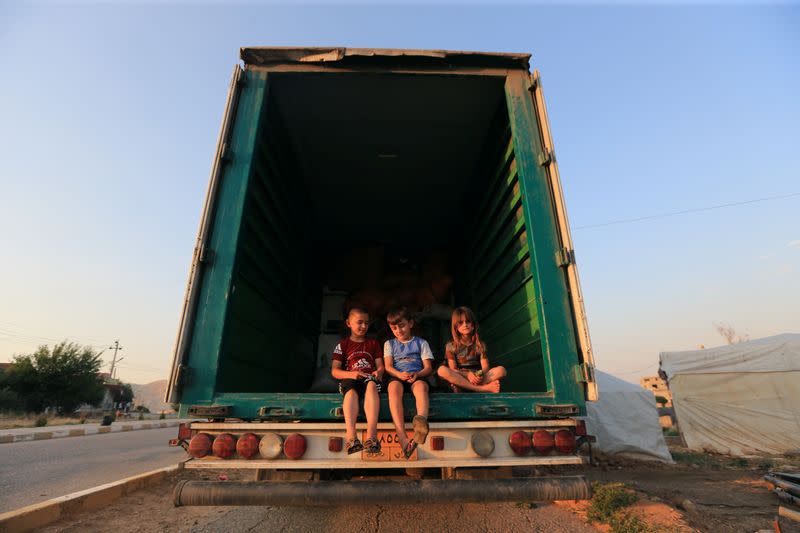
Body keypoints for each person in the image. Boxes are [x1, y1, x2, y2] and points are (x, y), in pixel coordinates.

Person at [331, 306, 384, 454]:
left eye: (367, 323)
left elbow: (380, 366)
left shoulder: (373, 343)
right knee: (351, 392)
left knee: (372, 385)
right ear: (349, 323)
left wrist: (378, 372)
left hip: (368, 377)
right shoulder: (342, 345)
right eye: (359, 322)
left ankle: (372, 436)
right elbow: (335, 371)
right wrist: (351, 375)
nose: (364, 326)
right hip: (351, 377)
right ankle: (351, 437)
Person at [383, 307, 433, 459]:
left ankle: (421, 423)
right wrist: (399, 374)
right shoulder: (389, 344)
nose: (398, 330)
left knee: (421, 388)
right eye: (394, 328)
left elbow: (428, 368)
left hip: (416, 375)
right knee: (393, 389)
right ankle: (402, 437)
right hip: (397, 376)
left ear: (411, 323)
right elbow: (388, 367)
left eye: (402, 325)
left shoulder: (421, 343)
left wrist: (417, 374)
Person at [436, 306, 506, 393]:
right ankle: (482, 389)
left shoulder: (480, 345)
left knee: (501, 370)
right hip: (460, 377)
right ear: (456, 328)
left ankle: (466, 388)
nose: (465, 324)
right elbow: (453, 369)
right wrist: (467, 375)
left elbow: (485, 368)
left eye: (468, 321)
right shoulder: (451, 346)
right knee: (441, 370)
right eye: (461, 323)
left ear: (473, 325)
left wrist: (479, 376)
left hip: (477, 377)